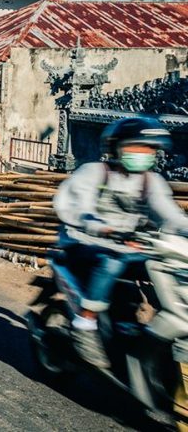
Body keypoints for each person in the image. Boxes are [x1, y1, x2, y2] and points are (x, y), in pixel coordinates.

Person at [54, 117, 188, 368]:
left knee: (166, 267)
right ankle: (85, 323)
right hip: (83, 243)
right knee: (113, 262)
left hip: (128, 246)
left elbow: (170, 214)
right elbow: (78, 208)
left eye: (149, 149)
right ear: (116, 147)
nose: (143, 153)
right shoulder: (94, 172)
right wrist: (102, 227)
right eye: (136, 147)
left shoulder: (151, 181)